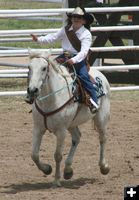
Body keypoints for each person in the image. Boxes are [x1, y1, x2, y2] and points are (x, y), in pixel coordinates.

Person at [27, 7, 99, 111]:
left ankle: (93, 102)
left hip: (78, 59)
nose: (76, 19)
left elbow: (83, 52)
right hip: (64, 57)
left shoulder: (86, 34)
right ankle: (35, 96)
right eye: (74, 16)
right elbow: (52, 37)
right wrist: (38, 39)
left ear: (84, 20)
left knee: (84, 77)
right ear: (71, 18)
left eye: (79, 17)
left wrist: (73, 60)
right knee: (47, 70)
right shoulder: (65, 30)